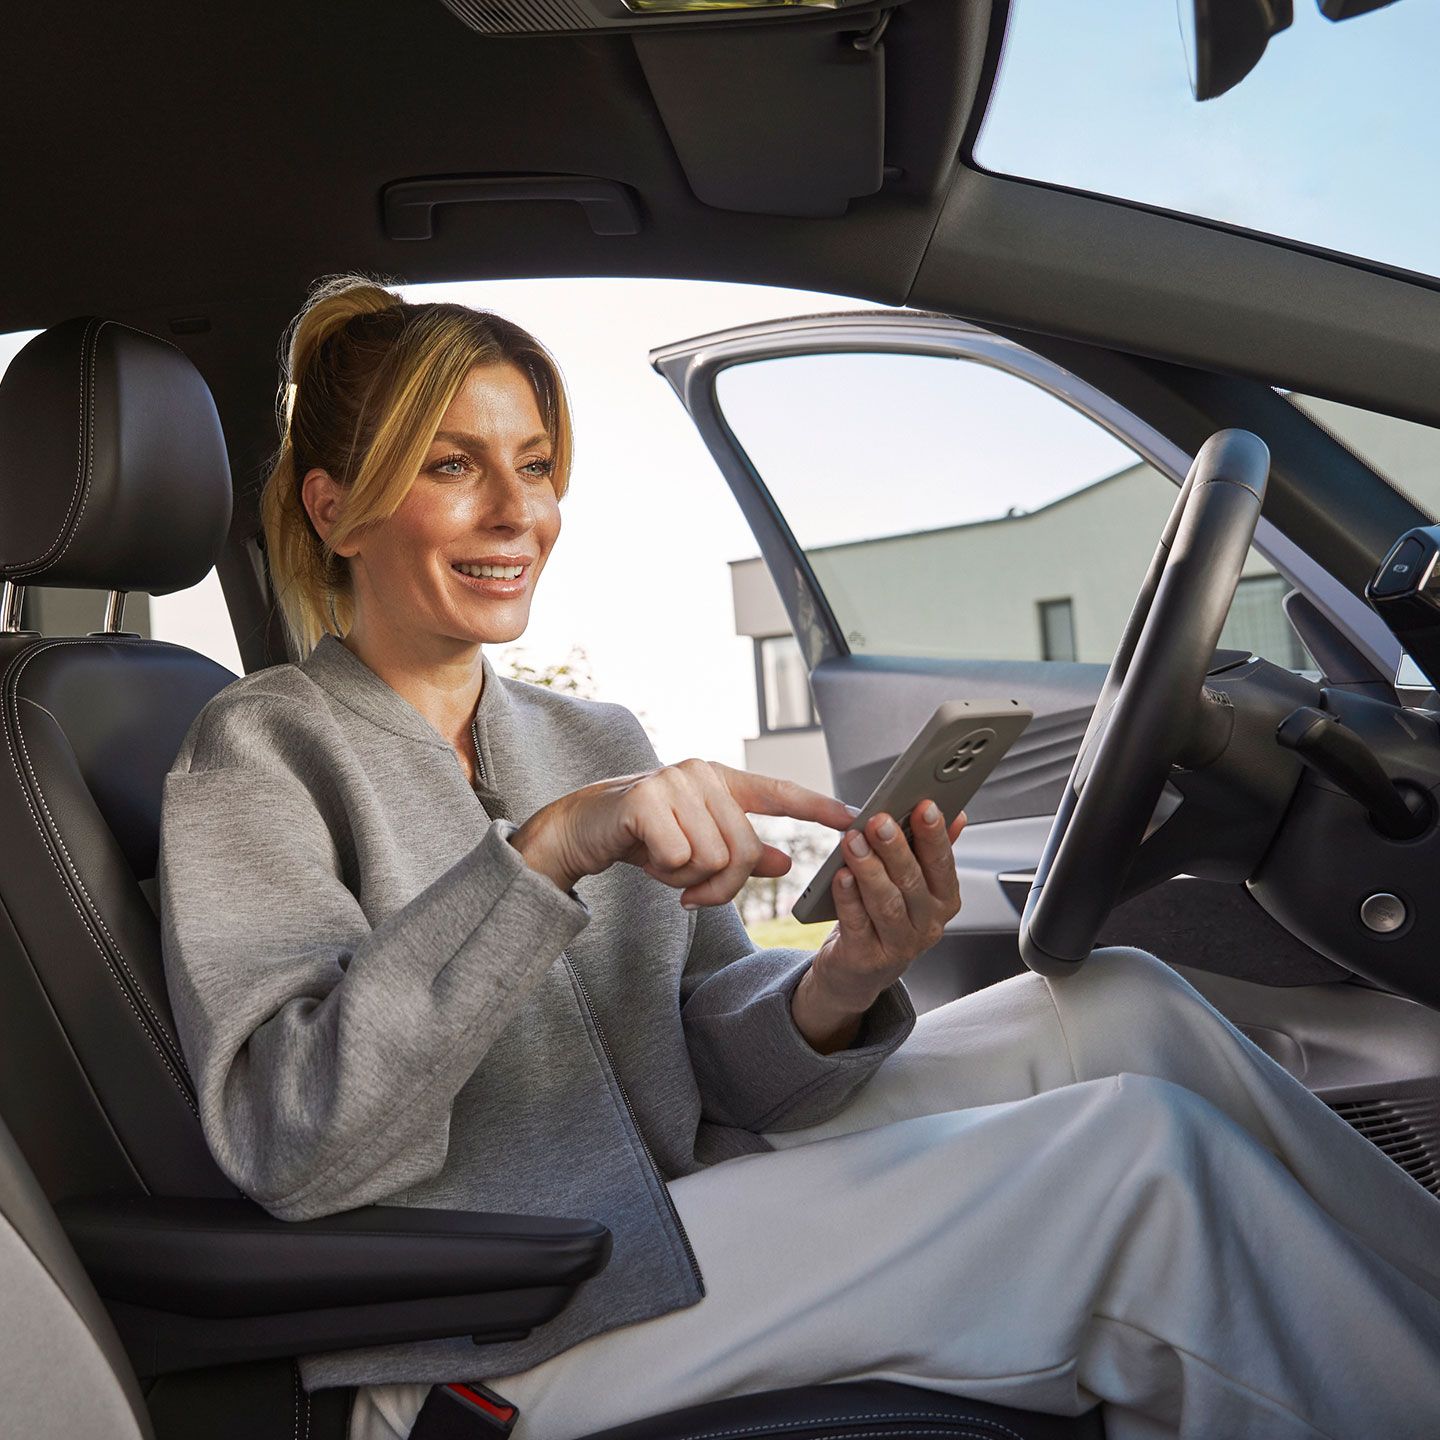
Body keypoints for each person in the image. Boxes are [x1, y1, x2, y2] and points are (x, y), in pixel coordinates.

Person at [157, 275, 1440, 1440]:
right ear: (336, 508)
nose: (518, 512)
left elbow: (715, 1070)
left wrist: (840, 982)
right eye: (453, 465)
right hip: (495, 1313)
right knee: (1135, 1166)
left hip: (685, 1198)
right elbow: (298, 1142)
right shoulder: (260, 752)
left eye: (537, 465)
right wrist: (542, 857)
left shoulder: (585, 732)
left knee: (1130, 1008)